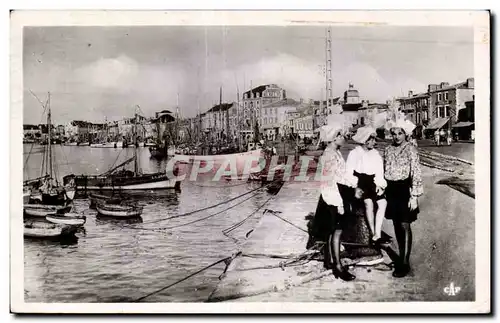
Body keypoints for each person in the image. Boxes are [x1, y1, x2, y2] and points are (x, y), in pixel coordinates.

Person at [309, 116, 357, 281]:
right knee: (337, 231)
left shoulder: (334, 152)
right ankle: (338, 266)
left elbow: (342, 175)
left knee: (331, 231)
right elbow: (328, 182)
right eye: (341, 135)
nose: (344, 138)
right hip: (333, 196)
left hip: (335, 194)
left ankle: (329, 260)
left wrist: (354, 183)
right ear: (334, 137)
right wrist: (339, 203)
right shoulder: (329, 154)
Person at [384, 118, 423, 278]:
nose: (397, 137)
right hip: (391, 190)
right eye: (394, 134)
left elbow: (416, 173)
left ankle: (405, 262)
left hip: (404, 189)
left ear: (405, 134)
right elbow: (384, 169)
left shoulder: (411, 149)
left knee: (405, 224)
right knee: (396, 224)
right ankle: (400, 257)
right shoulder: (387, 150)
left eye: (400, 133)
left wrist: (414, 196)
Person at [347, 126, 388, 246]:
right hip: (360, 181)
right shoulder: (354, 153)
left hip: (372, 181)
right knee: (368, 203)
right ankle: (373, 232)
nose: (374, 142)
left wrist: (380, 185)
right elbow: (349, 171)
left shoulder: (375, 154)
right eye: (372, 140)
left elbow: (379, 171)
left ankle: (378, 232)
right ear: (365, 140)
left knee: (383, 203)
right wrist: (355, 186)